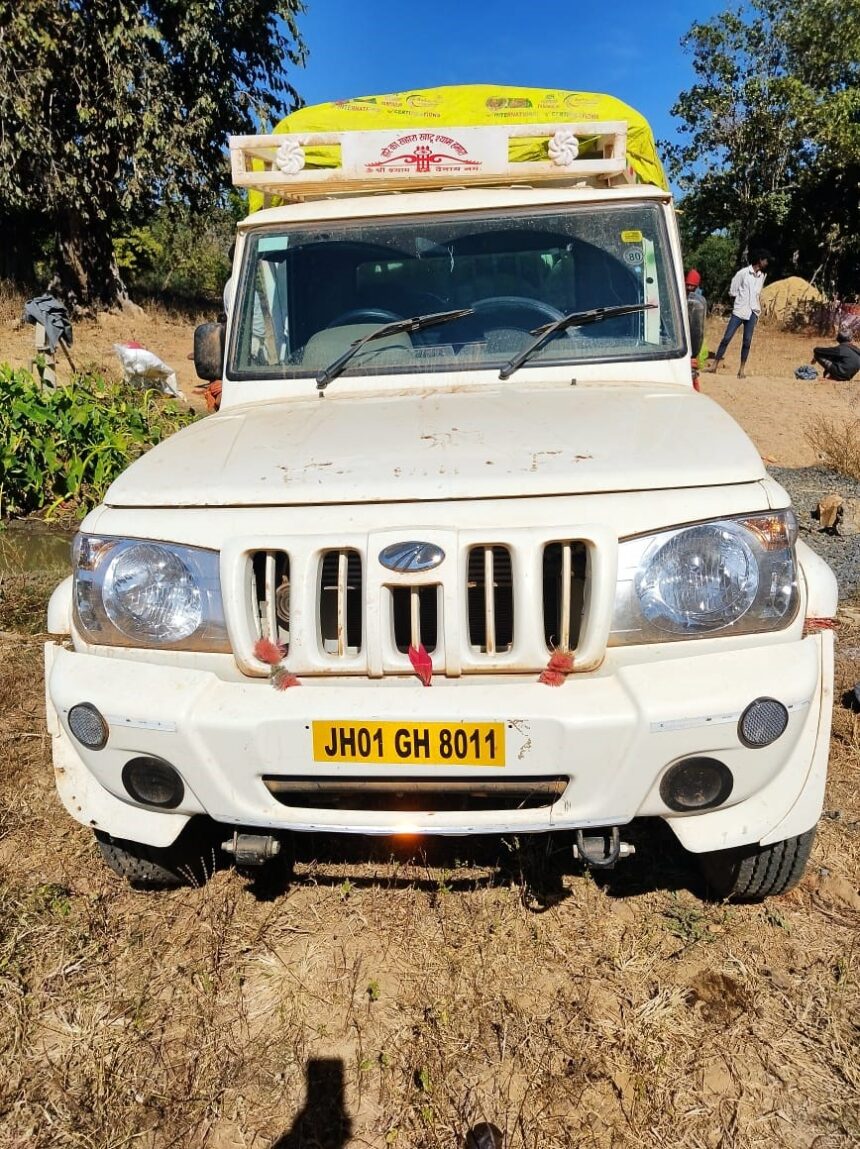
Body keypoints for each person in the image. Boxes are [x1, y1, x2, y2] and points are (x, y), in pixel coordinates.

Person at [707, 250, 770, 378]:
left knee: (747, 341)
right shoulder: (743, 274)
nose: (767, 263)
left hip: (753, 312)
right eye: (765, 260)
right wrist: (740, 301)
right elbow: (733, 291)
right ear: (760, 260)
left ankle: (741, 370)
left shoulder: (762, 277)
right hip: (739, 311)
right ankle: (714, 365)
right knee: (727, 338)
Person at [684, 269, 708, 362]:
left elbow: (700, 324)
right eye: (688, 285)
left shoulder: (699, 300)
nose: (689, 287)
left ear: (696, 286)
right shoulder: (682, 296)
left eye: (692, 285)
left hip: (694, 330)